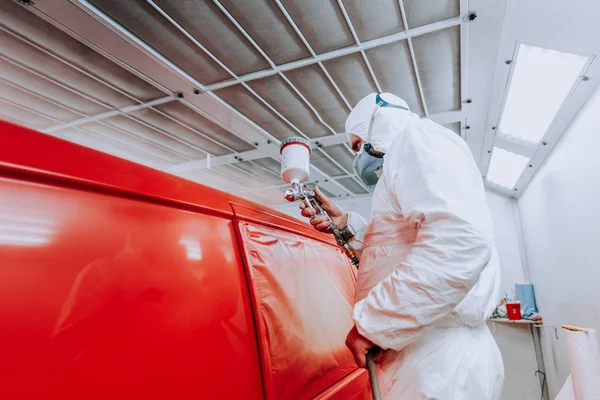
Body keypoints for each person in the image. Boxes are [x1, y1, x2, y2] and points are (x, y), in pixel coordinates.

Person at [300, 92, 504, 399]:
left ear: (377, 122)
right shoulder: (412, 153)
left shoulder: (416, 140)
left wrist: (372, 324)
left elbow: (459, 243)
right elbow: (399, 250)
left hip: (438, 365)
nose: (358, 158)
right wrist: (343, 224)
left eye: (358, 145)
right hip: (435, 356)